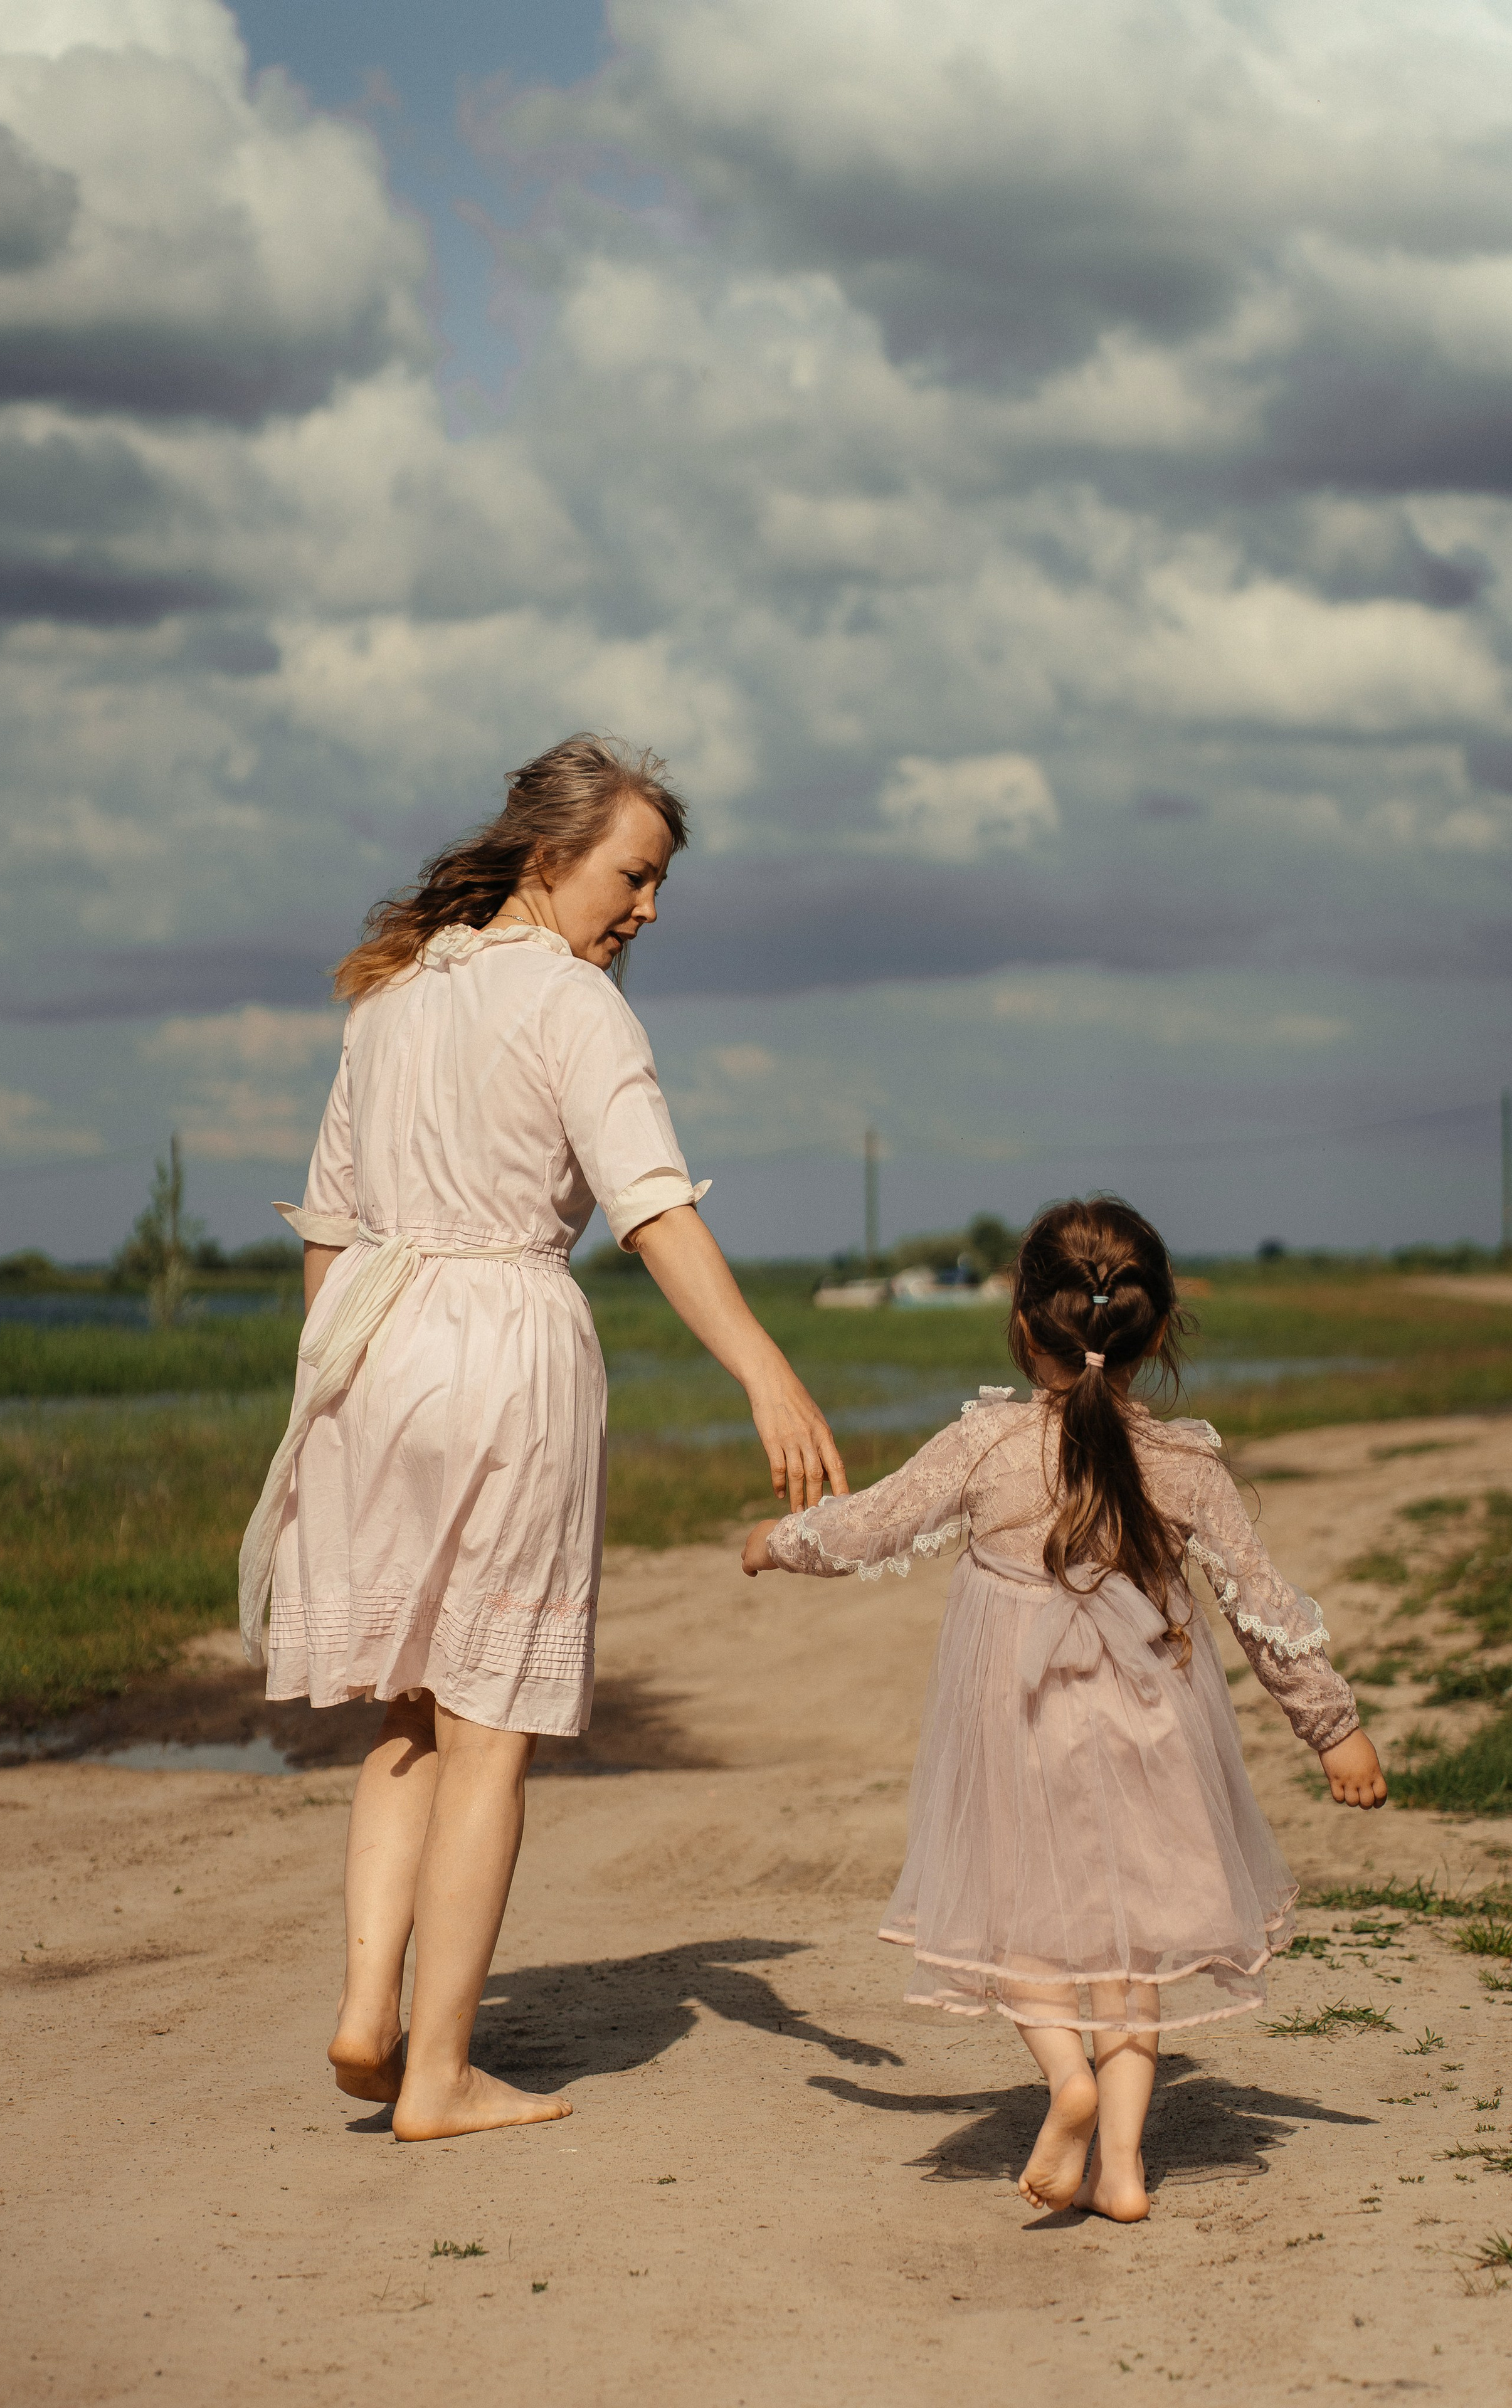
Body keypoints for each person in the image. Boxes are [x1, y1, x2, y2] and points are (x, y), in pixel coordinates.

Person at [240, 732, 845, 2143]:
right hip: (506, 1347)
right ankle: (439, 2075)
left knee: (406, 1707)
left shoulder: (389, 999)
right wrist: (766, 1372)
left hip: (369, 1352)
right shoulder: (576, 1007)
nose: (647, 910)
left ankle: (368, 2009)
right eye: (634, 876)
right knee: (489, 1724)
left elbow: (329, 1227)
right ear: (551, 853)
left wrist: (331, 1391)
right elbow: (651, 1207)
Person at [741, 1195, 1385, 2223]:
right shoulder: (1185, 1463)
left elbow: (874, 1524)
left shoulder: (987, 1445)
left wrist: (779, 1542)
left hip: (1020, 1725)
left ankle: (1066, 2081)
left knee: (1024, 1921)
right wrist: (1335, 1729)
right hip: (1152, 1727)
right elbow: (1262, 1605)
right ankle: (1122, 2169)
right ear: (1156, 1333)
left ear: (1022, 1323)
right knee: (1134, 1947)